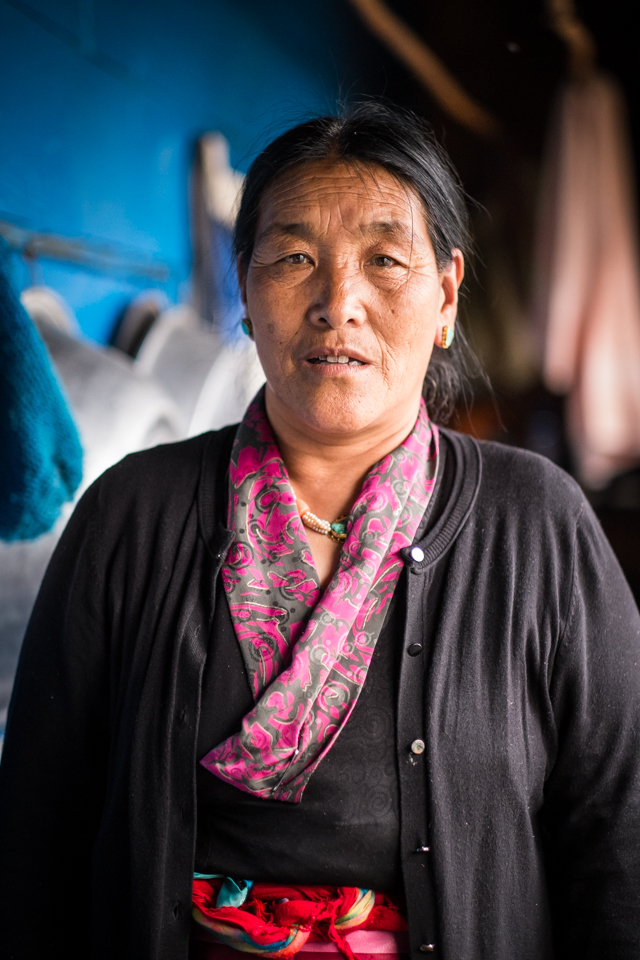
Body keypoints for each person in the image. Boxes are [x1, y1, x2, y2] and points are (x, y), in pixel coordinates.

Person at [1, 102, 639, 960]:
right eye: (295, 258)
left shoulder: (538, 526)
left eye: (385, 260)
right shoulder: (132, 513)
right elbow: (38, 833)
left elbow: (618, 838)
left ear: (446, 296)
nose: (339, 304)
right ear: (245, 289)